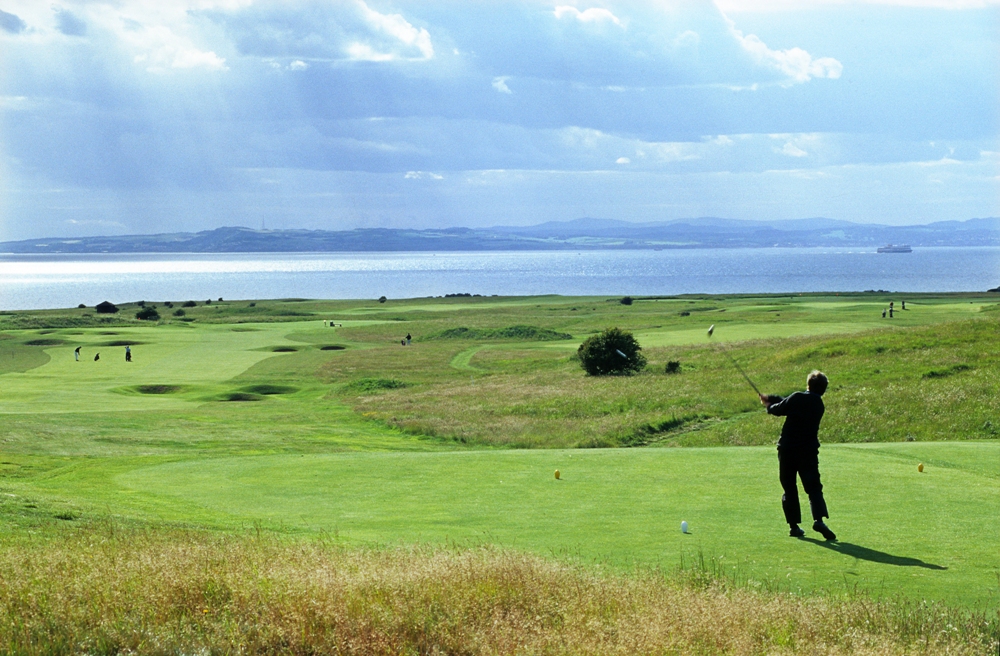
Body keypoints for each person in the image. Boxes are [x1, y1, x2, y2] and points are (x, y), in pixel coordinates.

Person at [760, 371, 837, 541]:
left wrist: (768, 405)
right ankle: (819, 520)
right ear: (823, 389)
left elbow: (779, 409)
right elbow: (788, 403)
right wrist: (773, 397)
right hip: (808, 452)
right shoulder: (818, 405)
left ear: (808, 384)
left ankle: (794, 527)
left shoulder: (796, 398)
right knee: (813, 488)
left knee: (789, 487)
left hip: (787, 450)